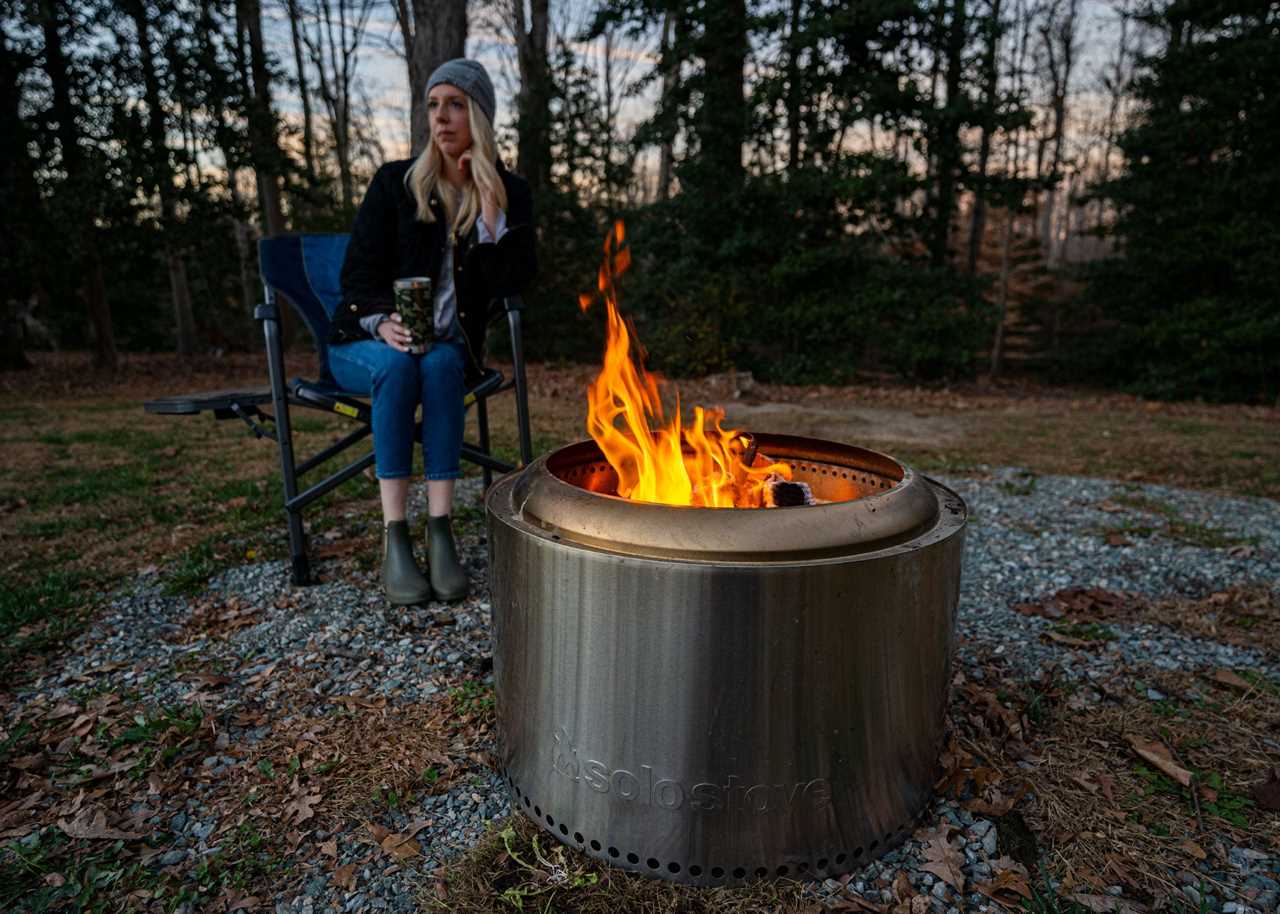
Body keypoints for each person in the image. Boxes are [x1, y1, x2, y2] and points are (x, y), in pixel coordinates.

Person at [327, 59, 536, 605]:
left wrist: (490, 211)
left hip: (445, 349)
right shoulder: (395, 184)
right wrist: (382, 322)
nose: (441, 118)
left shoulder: (510, 190)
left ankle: (440, 531)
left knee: (442, 364)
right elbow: (356, 275)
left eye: (456, 105)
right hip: (365, 343)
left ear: (480, 115)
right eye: (433, 105)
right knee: (399, 366)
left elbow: (513, 282)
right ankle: (396, 536)